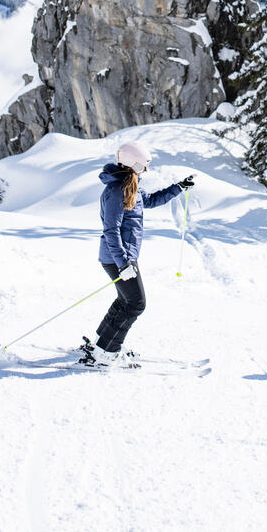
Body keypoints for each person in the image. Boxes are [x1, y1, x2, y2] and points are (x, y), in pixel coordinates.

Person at [80, 141, 194, 367]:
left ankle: (101, 343)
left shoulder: (130, 186)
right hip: (117, 258)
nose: (146, 170)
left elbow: (149, 201)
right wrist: (123, 263)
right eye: (143, 166)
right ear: (132, 165)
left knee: (125, 300)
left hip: (122, 257)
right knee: (135, 304)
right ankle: (106, 352)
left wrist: (178, 187)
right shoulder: (116, 190)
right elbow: (111, 230)